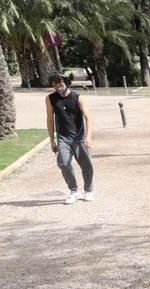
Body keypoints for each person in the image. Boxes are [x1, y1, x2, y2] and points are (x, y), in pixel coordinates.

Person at [46, 74, 95, 204]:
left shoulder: (78, 97)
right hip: (63, 138)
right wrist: (52, 140)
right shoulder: (51, 99)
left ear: (67, 83)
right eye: (54, 84)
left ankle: (89, 190)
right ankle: (74, 191)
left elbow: (88, 118)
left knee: (87, 165)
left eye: (60, 83)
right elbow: (50, 119)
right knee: (63, 163)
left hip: (80, 137)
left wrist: (88, 137)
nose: (57, 86)